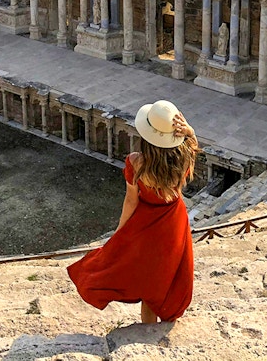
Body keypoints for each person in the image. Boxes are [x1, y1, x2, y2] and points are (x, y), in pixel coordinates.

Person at [67, 100, 199, 324]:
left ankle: (147, 328)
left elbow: (131, 201)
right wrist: (190, 132)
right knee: (164, 277)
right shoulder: (183, 157)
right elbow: (193, 145)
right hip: (173, 222)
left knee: (146, 278)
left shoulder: (136, 162)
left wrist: (120, 233)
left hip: (146, 223)